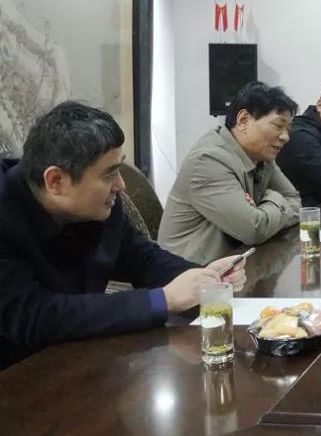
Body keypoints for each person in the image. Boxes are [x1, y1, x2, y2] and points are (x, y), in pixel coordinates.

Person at [0, 102, 246, 370]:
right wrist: (164, 299)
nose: (121, 185)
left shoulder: (101, 206)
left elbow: (142, 258)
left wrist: (204, 279)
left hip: (79, 359)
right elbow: (34, 317)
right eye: (109, 175)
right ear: (56, 181)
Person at [159, 81, 301, 263]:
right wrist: (274, 198)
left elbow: (295, 201)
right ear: (243, 120)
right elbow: (254, 230)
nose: (285, 137)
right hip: (191, 271)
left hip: (235, 263)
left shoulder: (262, 156)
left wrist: (263, 211)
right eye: (278, 126)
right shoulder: (208, 160)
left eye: (288, 129)